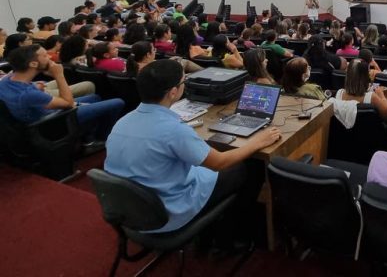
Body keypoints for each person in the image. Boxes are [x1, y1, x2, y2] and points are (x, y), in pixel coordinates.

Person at [104, 59, 279, 244]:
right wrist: (258, 142)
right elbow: (219, 163)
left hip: (132, 210)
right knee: (251, 166)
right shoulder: (174, 130)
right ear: (173, 92)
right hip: (168, 213)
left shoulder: (121, 122)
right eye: (183, 81)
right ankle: (233, 235)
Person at [0, 45, 123, 144]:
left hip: (36, 116)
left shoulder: (8, 78)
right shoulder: (29, 94)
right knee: (118, 102)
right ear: (33, 64)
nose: (49, 57)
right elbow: (68, 103)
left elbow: (25, 90)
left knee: (95, 97)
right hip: (53, 122)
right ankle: (100, 139)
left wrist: (35, 86)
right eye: (44, 56)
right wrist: (59, 75)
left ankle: (88, 135)